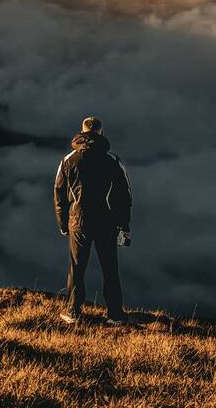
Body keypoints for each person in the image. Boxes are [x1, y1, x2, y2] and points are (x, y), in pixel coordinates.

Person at [54, 116, 132, 325]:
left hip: (78, 221)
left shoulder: (68, 160)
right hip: (106, 223)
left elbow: (59, 194)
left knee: (77, 267)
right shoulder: (112, 161)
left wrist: (63, 224)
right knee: (110, 269)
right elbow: (124, 196)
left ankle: (73, 312)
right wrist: (124, 227)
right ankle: (115, 315)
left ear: (81, 133)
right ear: (101, 133)